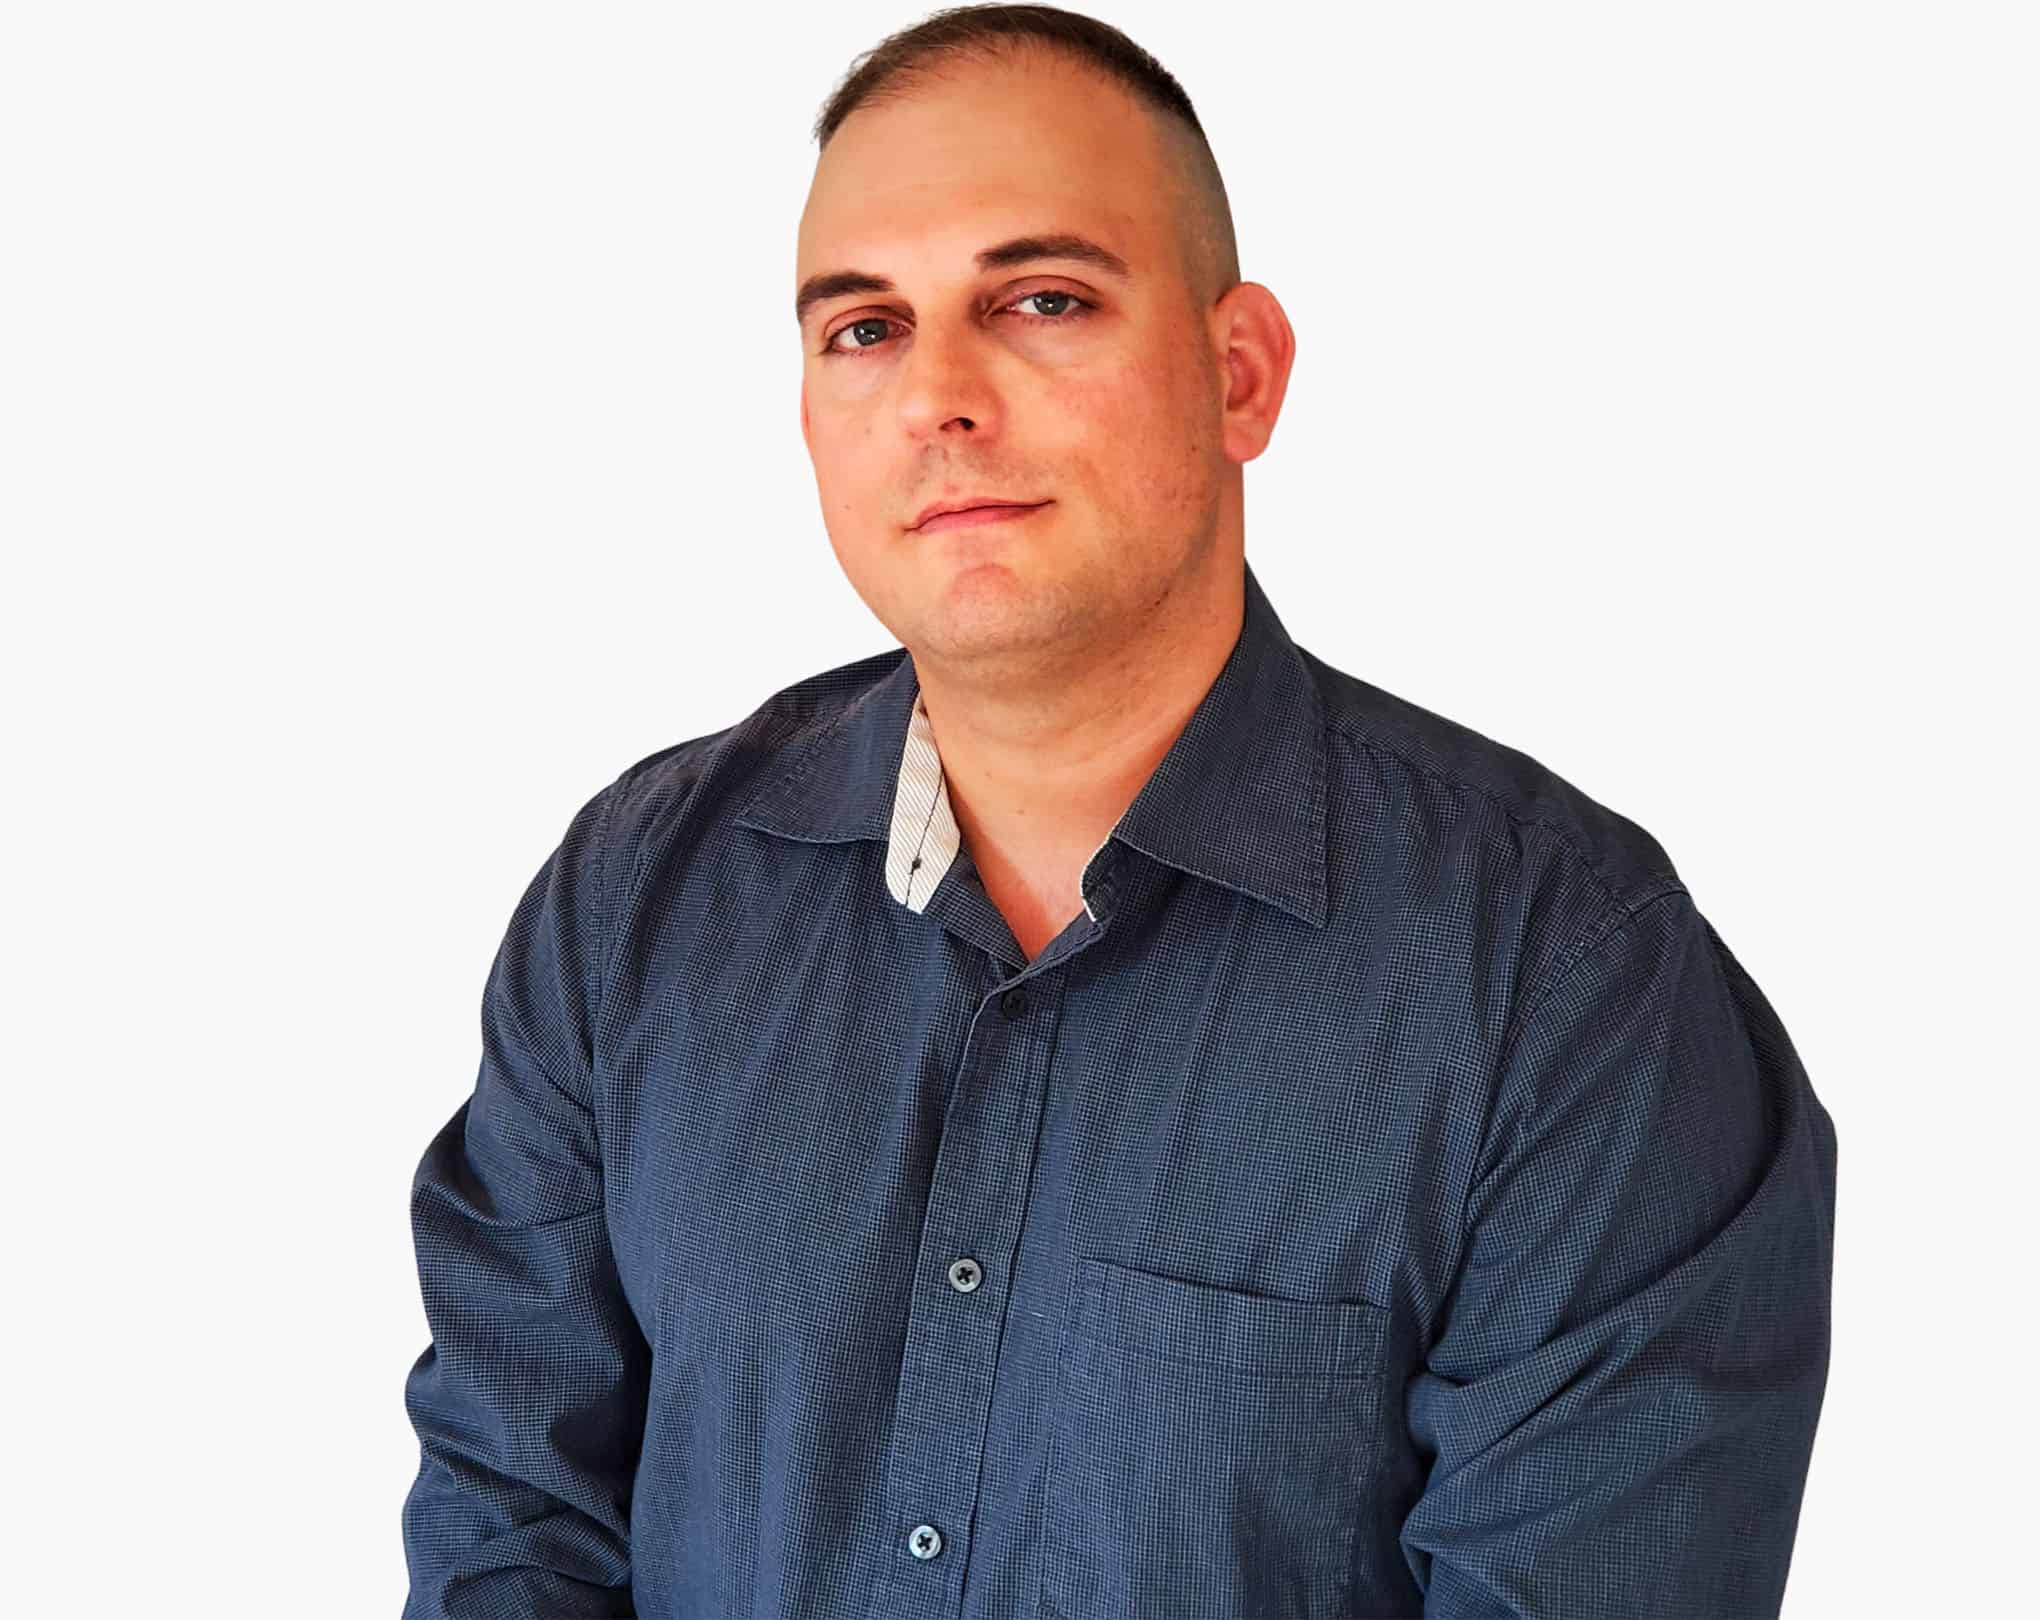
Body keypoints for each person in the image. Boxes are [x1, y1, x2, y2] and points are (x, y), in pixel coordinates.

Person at [398, 5, 1838, 1616]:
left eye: (1041, 300)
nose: (939, 394)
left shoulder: (1565, 988)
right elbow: (508, 1527)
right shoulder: (630, 906)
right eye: (862, 327)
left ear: (1239, 375)